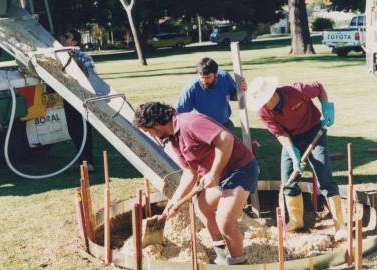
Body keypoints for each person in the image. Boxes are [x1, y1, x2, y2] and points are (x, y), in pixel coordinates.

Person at [134, 102, 259, 265]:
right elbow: (190, 172)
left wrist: (213, 173)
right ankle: (222, 253)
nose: (150, 135)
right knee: (202, 207)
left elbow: (225, 139)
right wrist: (174, 201)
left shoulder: (190, 123)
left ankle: (238, 263)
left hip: (241, 169)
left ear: (156, 125)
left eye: (148, 131)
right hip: (222, 175)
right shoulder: (174, 138)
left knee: (225, 221)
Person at [246, 77, 346, 241]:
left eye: (264, 101)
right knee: (288, 181)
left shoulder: (296, 91)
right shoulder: (264, 111)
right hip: (291, 139)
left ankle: (340, 225)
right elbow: (280, 133)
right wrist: (293, 154)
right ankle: (296, 221)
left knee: (325, 177)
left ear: (272, 94)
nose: (262, 106)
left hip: (314, 132)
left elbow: (319, 87)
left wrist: (327, 107)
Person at [60, 29, 110, 171]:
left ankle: (89, 162)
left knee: (83, 129)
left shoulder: (82, 57)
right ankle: (82, 159)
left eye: (66, 36)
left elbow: (90, 77)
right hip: (68, 97)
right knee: (73, 130)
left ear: (74, 42)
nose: (63, 39)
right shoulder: (60, 57)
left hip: (82, 97)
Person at [175, 57, 246, 132]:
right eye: (202, 77)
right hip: (202, 129)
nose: (204, 81)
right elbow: (178, 113)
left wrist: (241, 90)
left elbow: (235, 97)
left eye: (208, 77)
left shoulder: (225, 77)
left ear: (216, 74)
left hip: (224, 125)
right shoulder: (191, 88)